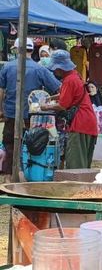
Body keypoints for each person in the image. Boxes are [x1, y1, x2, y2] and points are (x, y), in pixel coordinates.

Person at [0, 38, 61, 174]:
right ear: (32, 50)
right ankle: (30, 173)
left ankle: (9, 176)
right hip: (32, 117)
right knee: (33, 146)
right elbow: (58, 88)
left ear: (16, 50)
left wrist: (1, 110)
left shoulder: (7, 67)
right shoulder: (40, 69)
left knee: (10, 146)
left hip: (11, 114)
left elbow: (1, 91)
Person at [44, 51, 98, 169]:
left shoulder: (69, 80)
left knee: (76, 166)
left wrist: (45, 107)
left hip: (80, 123)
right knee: (83, 164)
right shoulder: (75, 75)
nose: (54, 71)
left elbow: (62, 105)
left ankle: (76, 187)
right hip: (88, 122)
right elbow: (67, 94)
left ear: (60, 68)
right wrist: (51, 98)